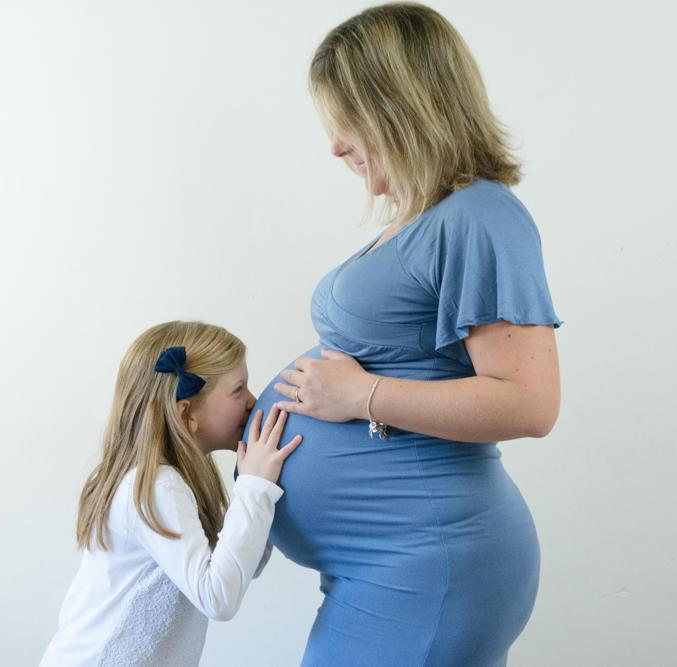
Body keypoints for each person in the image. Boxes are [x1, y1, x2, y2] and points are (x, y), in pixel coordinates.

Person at [244, 4, 563, 665]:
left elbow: (529, 403)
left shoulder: (480, 217)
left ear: (403, 106)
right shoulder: (430, 220)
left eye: (347, 120)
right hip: (389, 559)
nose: (335, 145)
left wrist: (361, 397)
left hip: (426, 557)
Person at [40, 320, 302, 666]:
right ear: (186, 412)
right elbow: (217, 597)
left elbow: (238, 568)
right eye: (239, 390)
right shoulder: (156, 487)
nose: (253, 401)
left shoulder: (169, 481)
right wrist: (255, 489)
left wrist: (264, 492)